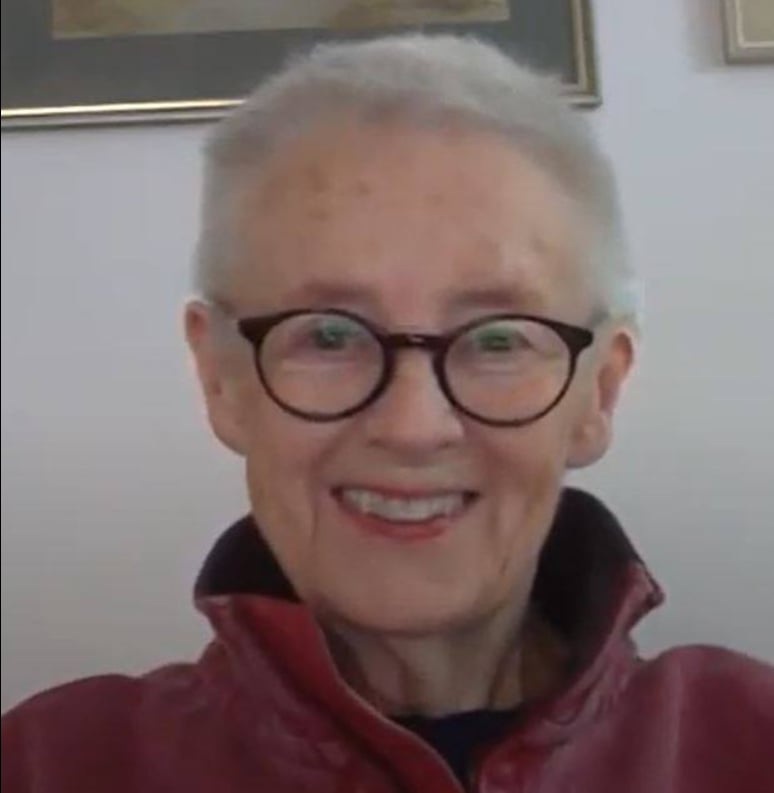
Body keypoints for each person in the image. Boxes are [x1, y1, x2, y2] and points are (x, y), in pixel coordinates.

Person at [2, 33, 773, 793]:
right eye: (330, 334)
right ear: (220, 378)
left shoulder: (747, 741)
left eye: (498, 339)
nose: (413, 426)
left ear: (598, 392)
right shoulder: (50, 763)